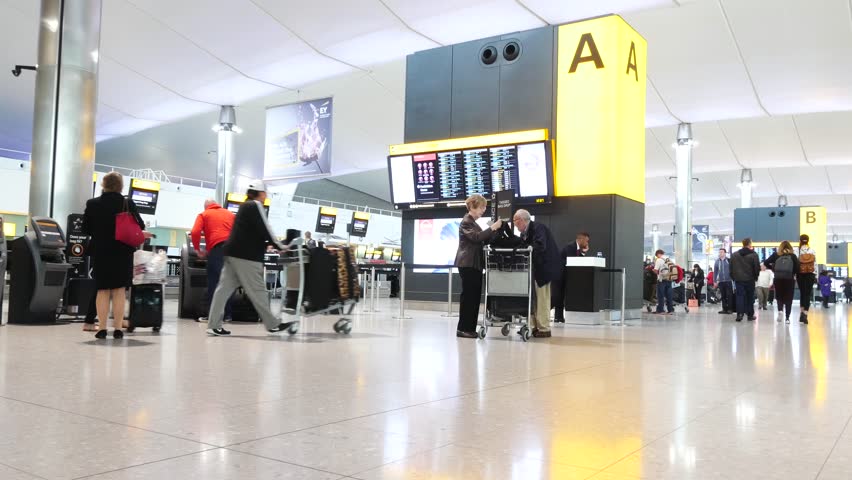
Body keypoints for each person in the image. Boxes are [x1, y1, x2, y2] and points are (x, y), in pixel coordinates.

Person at [206, 181, 294, 336]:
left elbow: (255, 231)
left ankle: (213, 325)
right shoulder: (255, 205)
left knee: (223, 290)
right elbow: (266, 228)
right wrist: (281, 246)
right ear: (260, 193)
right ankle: (273, 324)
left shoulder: (244, 206)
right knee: (258, 290)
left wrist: (270, 244)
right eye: (265, 193)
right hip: (246, 256)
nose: (266, 196)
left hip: (232, 253)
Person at [82, 172, 150, 339]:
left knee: (102, 290)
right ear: (121, 186)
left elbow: (85, 229)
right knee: (119, 290)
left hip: (101, 251)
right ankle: (118, 329)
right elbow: (139, 225)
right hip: (123, 251)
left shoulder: (93, 203)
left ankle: (102, 328)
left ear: (103, 185)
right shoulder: (127, 203)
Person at [453, 194, 502, 338]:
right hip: (468, 264)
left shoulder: (473, 223)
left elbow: (481, 238)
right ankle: (463, 329)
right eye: (481, 207)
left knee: (473, 297)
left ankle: (469, 328)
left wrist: (493, 232)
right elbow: (476, 238)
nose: (483, 210)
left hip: (474, 264)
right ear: (473, 207)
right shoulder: (466, 222)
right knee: (469, 297)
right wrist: (492, 228)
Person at [513, 209, 561, 338]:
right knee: (533, 299)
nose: (515, 224)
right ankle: (533, 326)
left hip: (544, 269)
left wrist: (525, 248)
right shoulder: (526, 231)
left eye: (515, 221)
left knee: (542, 299)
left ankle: (544, 328)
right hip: (535, 269)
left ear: (522, 220)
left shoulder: (539, 228)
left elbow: (540, 246)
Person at [190, 198, 235, 323]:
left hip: (217, 249)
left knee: (214, 283)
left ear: (206, 207)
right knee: (228, 282)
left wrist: (198, 249)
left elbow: (195, 232)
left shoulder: (204, 214)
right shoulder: (229, 214)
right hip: (233, 250)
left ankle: (212, 315)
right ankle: (227, 315)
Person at [553, 232, 590, 323]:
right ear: (580, 239)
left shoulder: (577, 249)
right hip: (559, 275)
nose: (587, 243)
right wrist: (583, 253)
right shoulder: (570, 247)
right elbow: (573, 261)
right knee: (558, 297)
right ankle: (557, 317)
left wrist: (583, 253)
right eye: (586, 241)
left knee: (560, 296)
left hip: (566, 275)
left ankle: (559, 317)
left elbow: (576, 261)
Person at [764, 241, 799, 324]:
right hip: (789, 279)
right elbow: (798, 268)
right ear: (790, 247)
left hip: (778, 278)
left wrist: (773, 269)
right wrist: (792, 272)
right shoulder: (793, 256)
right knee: (788, 298)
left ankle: (780, 311)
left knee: (779, 296)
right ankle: (787, 318)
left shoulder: (776, 255)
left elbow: (765, 262)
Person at [731, 238, 760, 322]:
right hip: (750, 279)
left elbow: (731, 268)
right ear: (750, 244)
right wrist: (756, 277)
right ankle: (750, 315)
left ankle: (739, 314)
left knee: (739, 296)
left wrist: (734, 277)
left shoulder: (734, 255)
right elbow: (756, 268)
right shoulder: (754, 255)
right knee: (750, 297)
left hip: (738, 279)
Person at [797, 234, 817, 323]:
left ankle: (801, 313)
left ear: (800, 240)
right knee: (808, 294)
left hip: (800, 274)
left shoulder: (797, 251)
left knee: (802, 293)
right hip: (810, 274)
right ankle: (805, 314)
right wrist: (816, 275)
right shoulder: (812, 250)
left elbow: (795, 264)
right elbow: (815, 264)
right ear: (808, 240)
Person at [652, 249, 674, 315]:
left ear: (658, 254)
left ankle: (660, 310)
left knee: (660, 295)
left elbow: (656, 270)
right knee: (669, 296)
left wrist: (653, 270)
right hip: (669, 279)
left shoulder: (659, 260)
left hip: (662, 280)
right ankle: (670, 310)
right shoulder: (668, 259)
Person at [714, 248, 734, 314]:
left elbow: (732, 269)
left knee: (729, 295)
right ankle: (724, 309)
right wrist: (715, 281)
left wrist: (733, 277)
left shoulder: (728, 260)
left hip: (728, 280)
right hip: (721, 281)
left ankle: (730, 309)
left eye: (722, 252)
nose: (720, 253)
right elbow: (715, 272)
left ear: (725, 253)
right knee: (723, 295)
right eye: (719, 252)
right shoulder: (717, 261)